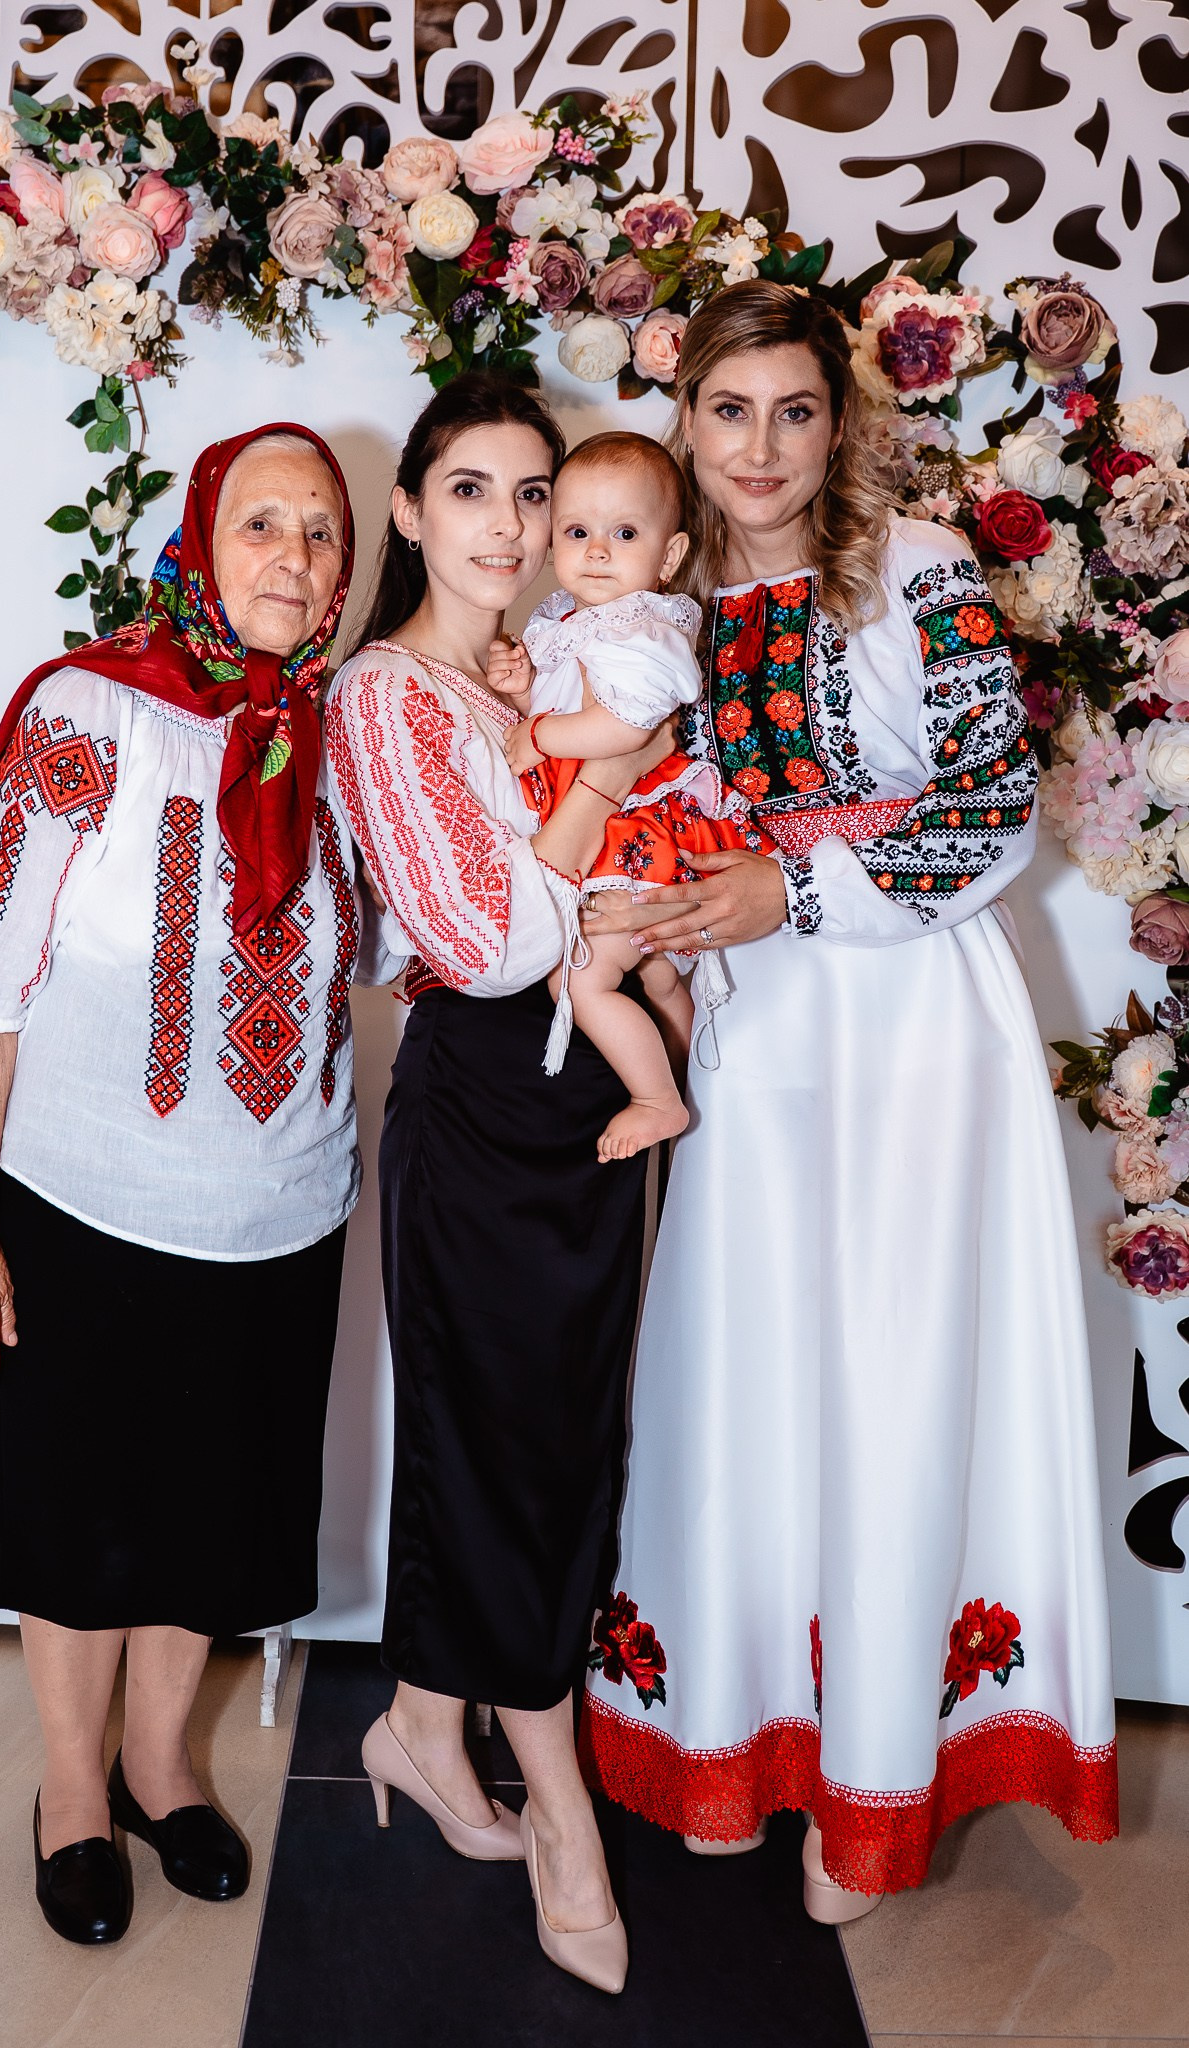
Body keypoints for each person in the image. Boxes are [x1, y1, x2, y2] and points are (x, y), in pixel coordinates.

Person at [576, 282, 1119, 1920]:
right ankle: (736, 1733)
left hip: (914, 1019)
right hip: (752, 1027)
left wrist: (796, 891)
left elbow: (995, 802)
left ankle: (873, 1778)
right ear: (686, 423)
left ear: (842, 421)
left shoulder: (920, 569)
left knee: (894, 1363)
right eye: (729, 411)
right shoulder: (658, 601)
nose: (760, 447)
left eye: (795, 411)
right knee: (746, 1362)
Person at [0, 424, 366, 1945]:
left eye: (321, 529)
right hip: (88, 1198)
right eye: (262, 522)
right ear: (199, 542)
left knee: (210, 1513)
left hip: (280, 1209)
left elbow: (389, 948)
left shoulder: (343, 733)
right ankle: (71, 1791)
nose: (293, 555)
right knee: (80, 1513)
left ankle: (164, 1766)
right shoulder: (89, 707)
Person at [325, 374, 672, 1995]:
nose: (512, 526)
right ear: (409, 509)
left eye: (536, 493)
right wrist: (602, 787)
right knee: (508, 1452)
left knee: (558, 1440)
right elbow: (488, 942)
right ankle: (563, 1820)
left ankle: (418, 1722)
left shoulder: (552, 673)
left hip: (588, 1105)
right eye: (472, 488)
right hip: (481, 1110)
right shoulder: (388, 696)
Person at [496, 430, 772, 1160]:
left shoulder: (640, 629)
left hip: (640, 833)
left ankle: (656, 1100)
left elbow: (624, 726)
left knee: (580, 979)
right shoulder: (576, 621)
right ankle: (687, 1078)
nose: (596, 552)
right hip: (628, 829)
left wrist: (539, 732)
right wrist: (526, 689)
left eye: (623, 534)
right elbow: (577, 700)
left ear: (669, 556)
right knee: (655, 973)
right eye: (577, 532)